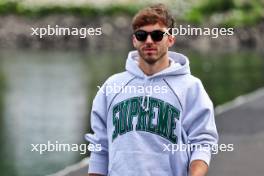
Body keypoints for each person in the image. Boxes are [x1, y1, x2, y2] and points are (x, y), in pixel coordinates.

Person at [85, 3, 218, 176]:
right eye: (141, 35)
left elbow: (202, 142)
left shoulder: (191, 87)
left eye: (157, 35)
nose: (149, 41)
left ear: (170, 39)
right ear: (134, 40)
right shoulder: (112, 86)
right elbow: (100, 146)